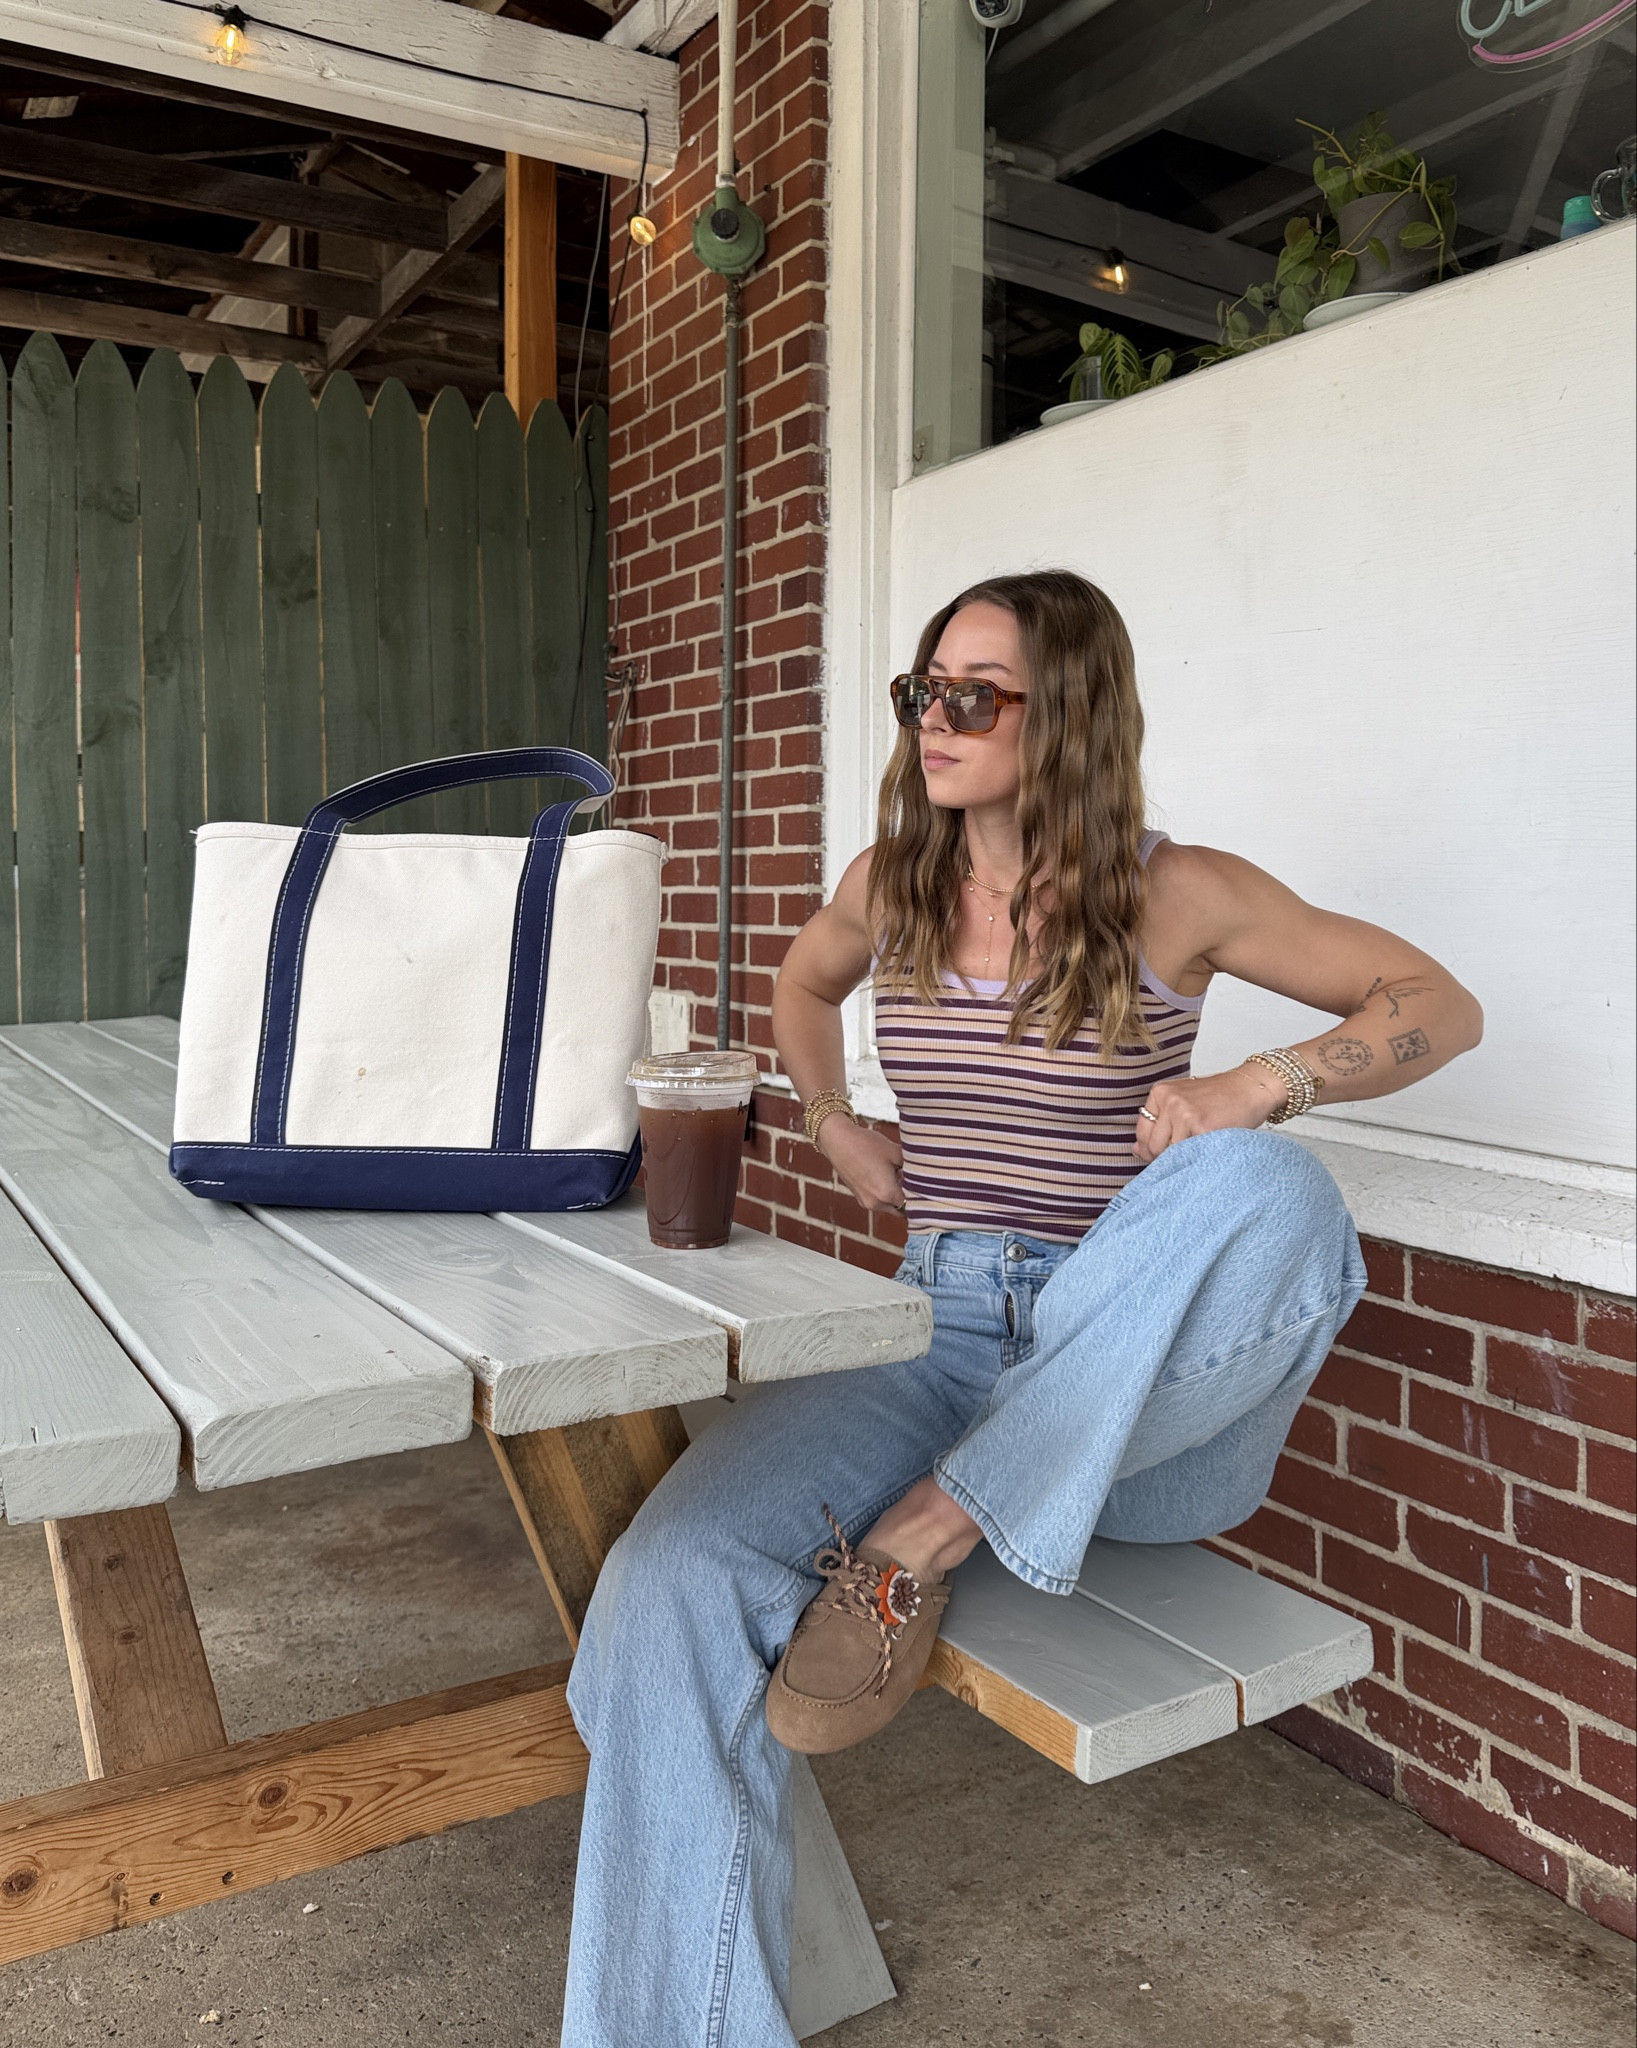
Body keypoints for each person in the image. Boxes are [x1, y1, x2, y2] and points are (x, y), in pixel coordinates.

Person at [560, 570, 1482, 2046]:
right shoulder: (892, 884)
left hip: (1130, 1399)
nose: (933, 718)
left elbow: (1435, 1001)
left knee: (1268, 1186)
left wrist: (1260, 1082)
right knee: (663, 1586)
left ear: (1070, 716)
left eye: (972, 695)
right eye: (920, 690)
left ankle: (924, 1537)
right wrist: (834, 1126)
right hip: (927, 1342)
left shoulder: (1178, 892)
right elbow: (800, 988)